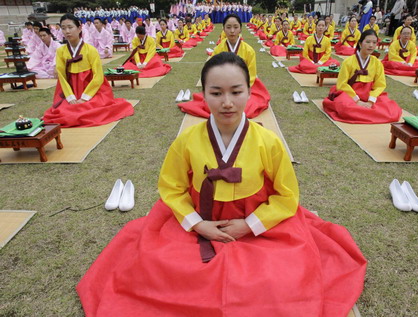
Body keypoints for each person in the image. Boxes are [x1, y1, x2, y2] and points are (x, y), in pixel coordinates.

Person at [77, 52, 367, 316]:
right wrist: (198, 224)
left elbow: (286, 196)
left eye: (236, 92)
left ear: (249, 92)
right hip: (199, 222)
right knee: (157, 269)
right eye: (216, 93)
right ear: (203, 94)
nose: (227, 102)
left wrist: (249, 224)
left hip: (257, 225)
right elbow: (172, 189)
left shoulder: (268, 142)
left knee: (281, 277)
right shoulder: (186, 141)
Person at [42, 14, 134, 128]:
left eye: (70, 27)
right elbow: (62, 75)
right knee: (63, 113)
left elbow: (98, 76)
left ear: (79, 28)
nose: (67, 31)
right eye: (63, 28)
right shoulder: (61, 51)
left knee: (91, 109)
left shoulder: (91, 50)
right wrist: (70, 97)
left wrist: (85, 97)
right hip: (70, 89)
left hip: (91, 88)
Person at [178, 14, 270, 119]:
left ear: (240, 29)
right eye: (228, 27)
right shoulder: (218, 49)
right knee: (214, 106)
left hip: (242, 87)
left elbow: (251, 74)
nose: (232, 31)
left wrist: (238, 89)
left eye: (235, 27)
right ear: (223, 29)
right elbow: (212, 70)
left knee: (245, 108)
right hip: (222, 87)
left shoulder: (249, 51)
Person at [323, 30, 402, 124]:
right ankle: (368, 113)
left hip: (369, 93)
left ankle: (364, 113)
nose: (371, 45)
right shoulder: (348, 62)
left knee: (391, 110)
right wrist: (356, 100)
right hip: (350, 93)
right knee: (345, 108)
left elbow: (380, 85)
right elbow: (342, 84)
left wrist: (371, 101)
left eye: (374, 42)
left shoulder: (377, 63)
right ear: (360, 43)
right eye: (368, 42)